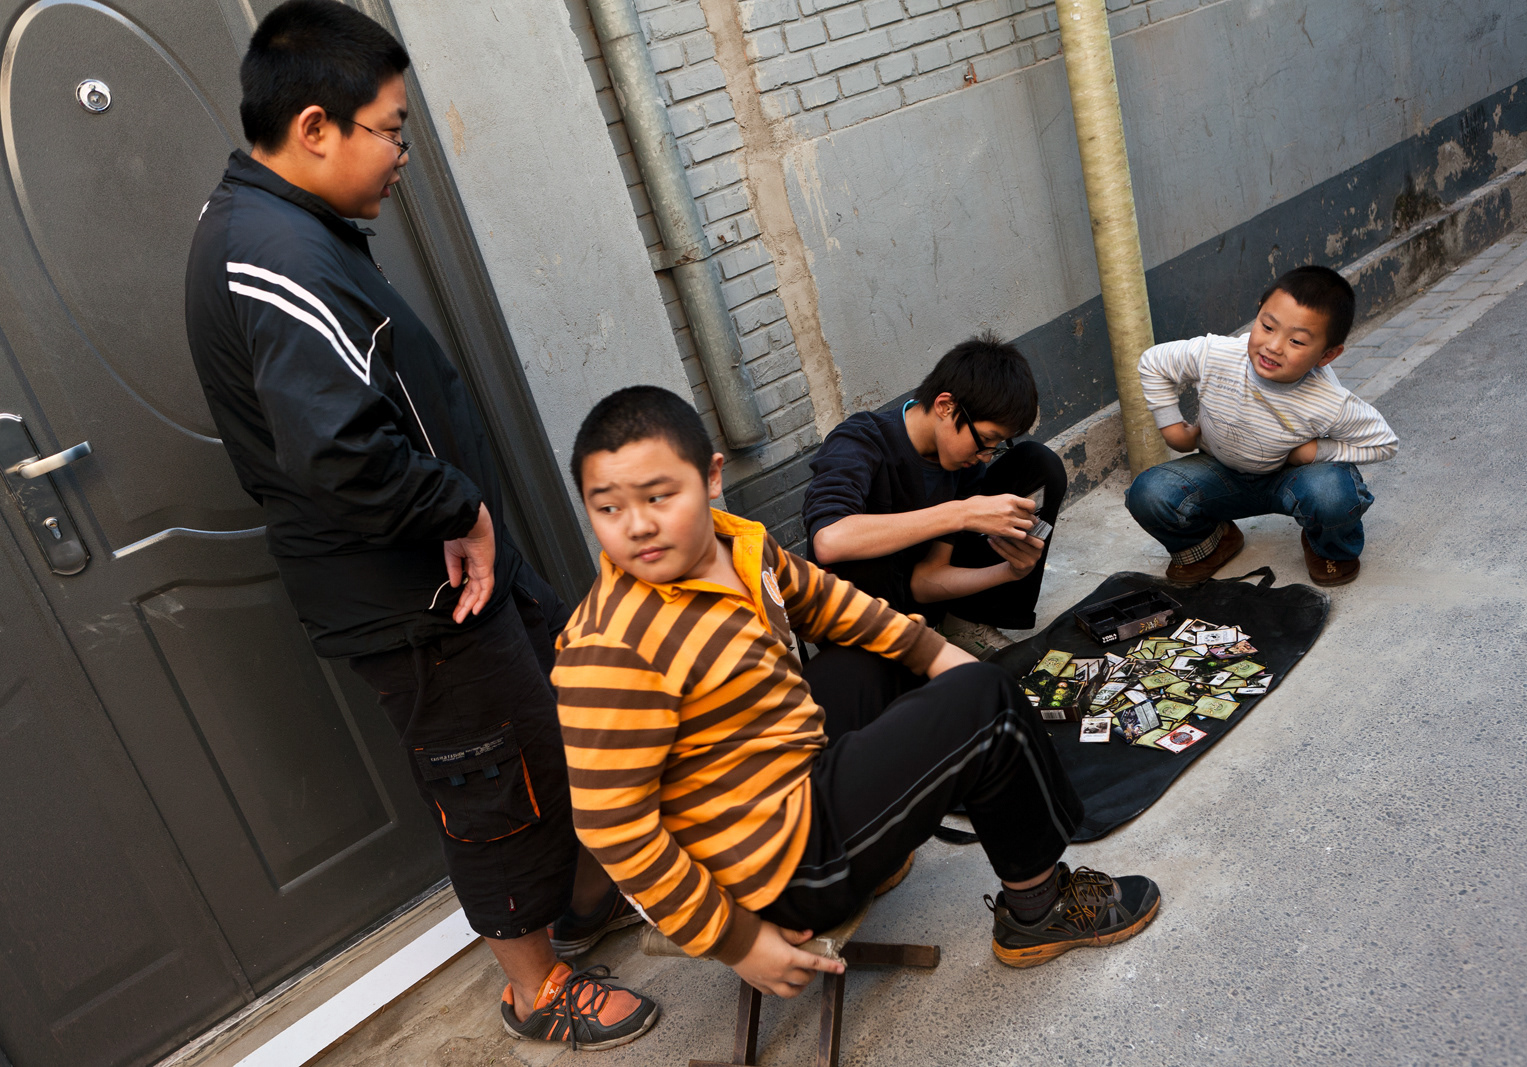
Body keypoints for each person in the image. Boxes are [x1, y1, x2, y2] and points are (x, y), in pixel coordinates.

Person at [183, 1, 654, 1049]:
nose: (404, 155)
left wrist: (471, 514)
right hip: (414, 594)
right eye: (392, 131)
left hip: (452, 569)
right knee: (488, 778)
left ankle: (581, 902)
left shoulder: (284, 227)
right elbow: (338, 451)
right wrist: (461, 504)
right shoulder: (275, 254)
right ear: (315, 127)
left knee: (553, 728)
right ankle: (535, 988)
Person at [551, 385, 1160, 1000]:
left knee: (883, 658)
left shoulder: (736, 545)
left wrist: (932, 650)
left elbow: (824, 600)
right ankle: (1038, 909)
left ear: (711, 478)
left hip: (788, 781)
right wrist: (737, 941)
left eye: (659, 496)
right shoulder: (609, 647)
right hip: (772, 871)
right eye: (609, 508)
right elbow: (613, 827)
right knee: (987, 701)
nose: (639, 526)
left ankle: (879, 842)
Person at [1125, 266, 1399, 587]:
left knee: (1332, 493)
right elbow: (1154, 362)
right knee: (1149, 493)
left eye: (1296, 341)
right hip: (1220, 472)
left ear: (1327, 355)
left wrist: (1315, 451)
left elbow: (1383, 443)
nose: (1274, 346)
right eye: (1268, 327)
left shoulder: (1328, 400)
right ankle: (1212, 543)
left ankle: (1327, 547)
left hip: (1291, 477)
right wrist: (1173, 429)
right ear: (1258, 313)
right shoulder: (1216, 354)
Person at [801, 334, 1067, 663]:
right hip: (858, 615)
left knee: (1038, 463)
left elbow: (925, 581)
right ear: (945, 406)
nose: (986, 456)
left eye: (995, 446)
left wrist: (1011, 572)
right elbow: (829, 540)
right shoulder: (859, 441)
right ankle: (894, 663)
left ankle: (962, 624)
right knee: (869, 550)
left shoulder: (964, 465)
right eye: (985, 440)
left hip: (914, 599)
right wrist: (961, 513)